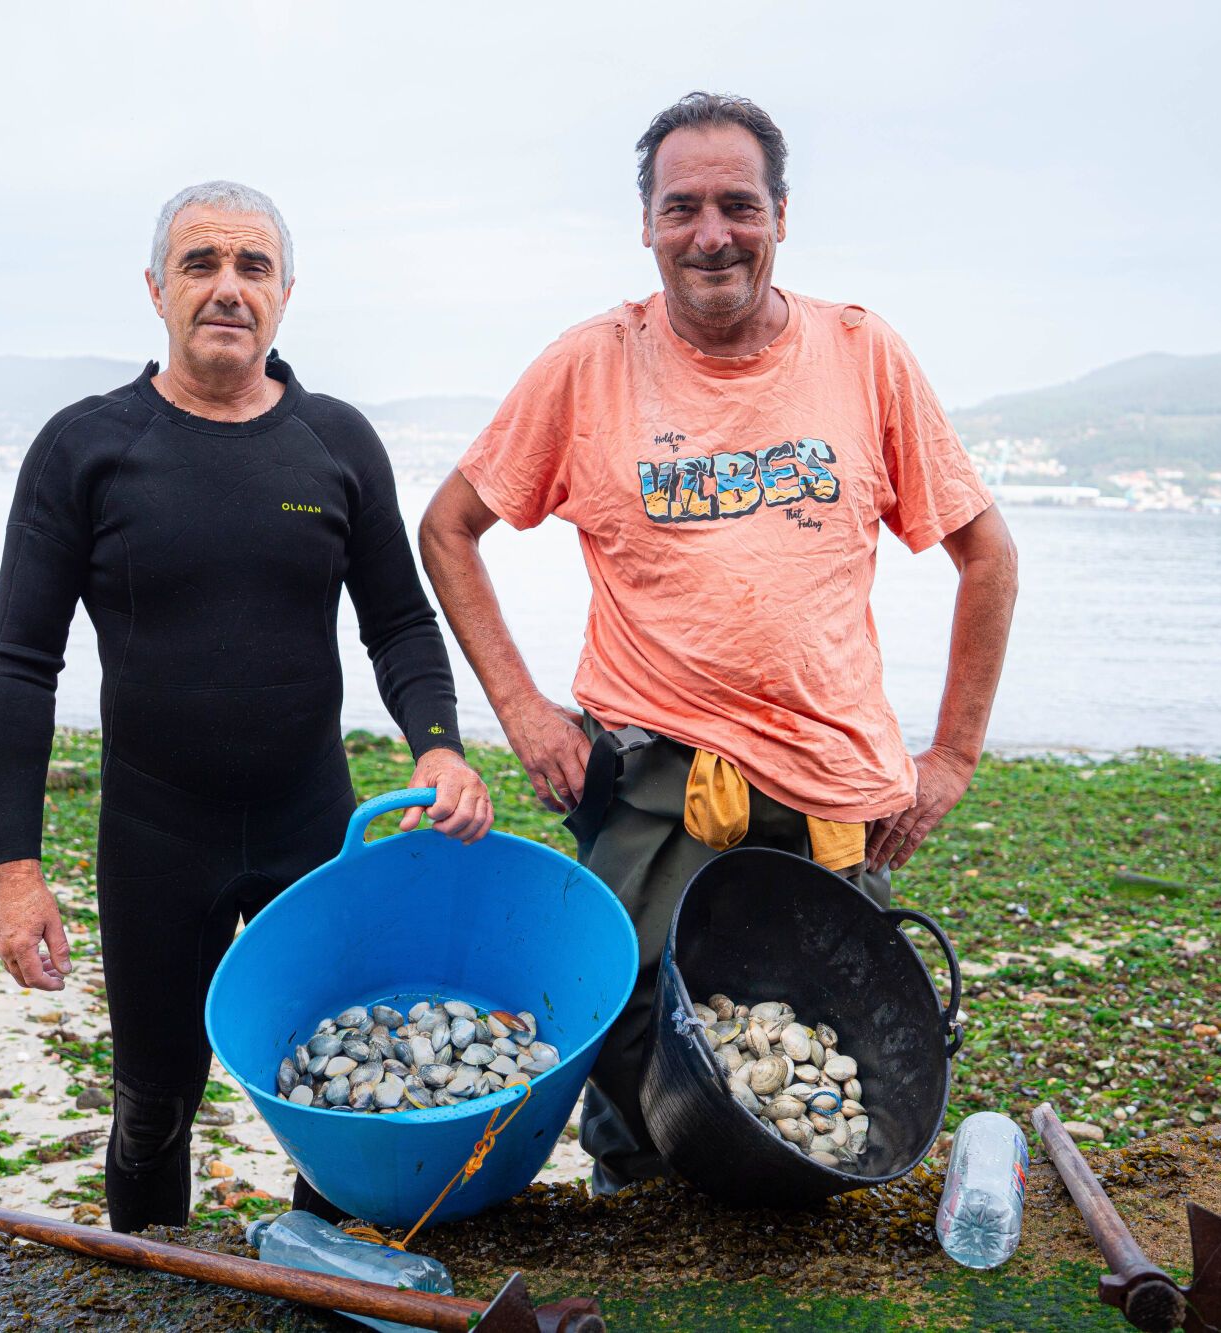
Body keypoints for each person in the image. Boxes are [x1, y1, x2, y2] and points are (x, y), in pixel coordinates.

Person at [419, 93, 1018, 1194]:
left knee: (825, 1045)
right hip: (656, 777)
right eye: (681, 207)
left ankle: (785, 1232)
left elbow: (988, 555)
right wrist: (525, 715)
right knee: (630, 1031)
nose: (711, 234)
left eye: (738, 205)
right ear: (645, 224)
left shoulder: (862, 353)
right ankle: (643, 1217)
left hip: (834, 789)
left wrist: (950, 759)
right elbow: (448, 528)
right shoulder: (590, 363)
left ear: (780, 215)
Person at [0, 180, 492, 1232]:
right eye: (200, 263)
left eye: (253, 266)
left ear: (285, 293)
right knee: (153, 1106)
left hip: (312, 823)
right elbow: (21, 663)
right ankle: (149, 1287)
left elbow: (398, 622)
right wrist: (15, 870)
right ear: (155, 288)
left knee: (337, 1088)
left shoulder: (335, 442)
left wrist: (438, 746)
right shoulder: (86, 446)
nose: (227, 287)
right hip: (155, 836)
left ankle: (322, 1280)